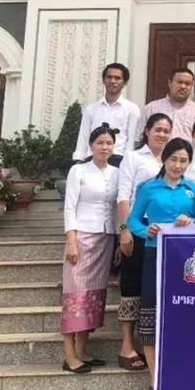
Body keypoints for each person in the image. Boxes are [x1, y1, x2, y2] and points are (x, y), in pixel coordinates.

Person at [126, 138, 195, 390]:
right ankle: (155, 379)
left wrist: (191, 221)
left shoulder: (193, 189)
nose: (178, 165)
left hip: (184, 258)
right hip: (154, 255)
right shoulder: (148, 188)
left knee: (184, 313)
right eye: (173, 159)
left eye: (183, 161)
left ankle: (182, 375)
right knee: (150, 313)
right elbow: (133, 220)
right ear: (164, 159)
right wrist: (145, 231)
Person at [61, 123, 120, 373]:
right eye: (100, 143)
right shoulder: (79, 170)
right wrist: (71, 239)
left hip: (105, 238)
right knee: (75, 295)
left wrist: (118, 238)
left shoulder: (117, 172)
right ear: (91, 145)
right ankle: (69, 355)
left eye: (109, 143)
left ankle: (83, 350)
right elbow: (69, 205)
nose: (104, 147)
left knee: (94, 296)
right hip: (82, 236)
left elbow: (117, 207)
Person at [115, 113, 172, 372]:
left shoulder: (172, 159)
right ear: (147, 131)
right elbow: (123, 195)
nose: (162, 134)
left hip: (163, 232)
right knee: (131, 284)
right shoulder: (134, 157)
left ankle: (148, 342)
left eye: (166, 130)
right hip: (138, 227)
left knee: (152, 287)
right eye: (158, 129)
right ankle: (127, 345)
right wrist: (125, 229)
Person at [73, 63, 140, 167]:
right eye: (109, 77)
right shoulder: (90, 110)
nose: (113, 81)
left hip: (119, 161)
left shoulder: (132, 109)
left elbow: (131, 141)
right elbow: (83, 138)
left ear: (125, 83)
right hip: (92, 160)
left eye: (117, 78)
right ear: (104, 80)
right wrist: (78, 161)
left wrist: (127, 165)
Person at [138, 68, 195, 142]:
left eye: (187, 84)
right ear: (170, 83)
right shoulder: (151, 108)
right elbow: (139, 138)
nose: (183, 87)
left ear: (192, 86)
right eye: (179, 82)